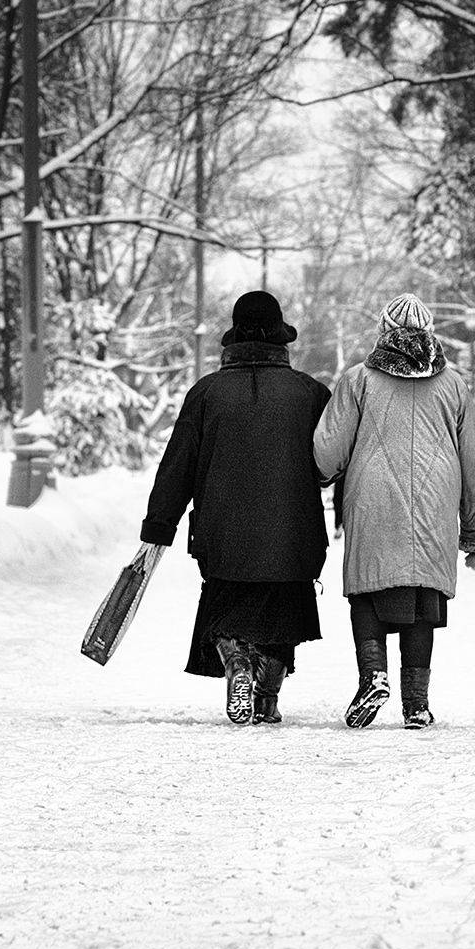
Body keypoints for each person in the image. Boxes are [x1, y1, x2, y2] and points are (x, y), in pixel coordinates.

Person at [139, 291, 332, 726]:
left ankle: (235, 661)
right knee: (285, 611)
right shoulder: (311, 393)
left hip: (221, 535)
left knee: (226, 606)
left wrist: (159, 525)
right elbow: (338, 458)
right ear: (282, 340)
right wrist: (347, 511)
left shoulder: (206, 393)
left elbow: (179, 465)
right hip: (293, 535)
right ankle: (265, 697)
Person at [313, 292, 475, 731]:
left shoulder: (358, 379)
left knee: (368, 590)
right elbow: (473, 463)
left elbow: (326, 451)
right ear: (429, 333)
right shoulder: (453, 385)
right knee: (422, 597)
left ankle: (372, 675)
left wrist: (325, 474)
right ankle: (416, 703)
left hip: (372, 498)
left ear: (384, 330)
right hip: (436, 502)